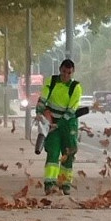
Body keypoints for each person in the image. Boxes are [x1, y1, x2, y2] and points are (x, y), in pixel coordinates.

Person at [35, 59, 83, 195]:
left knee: (68, 153)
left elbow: (71, 110)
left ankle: (65, 184)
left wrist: (59, 124)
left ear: (73, 72)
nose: (66, 75)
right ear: (60, 70)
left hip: (68, 124)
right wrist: (39, 113)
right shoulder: (52, 81)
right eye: (64, 72)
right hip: (51, 122)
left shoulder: (76, 88)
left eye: (69, 73)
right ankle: (49, 183)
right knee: (53, 152)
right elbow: (43, 99)